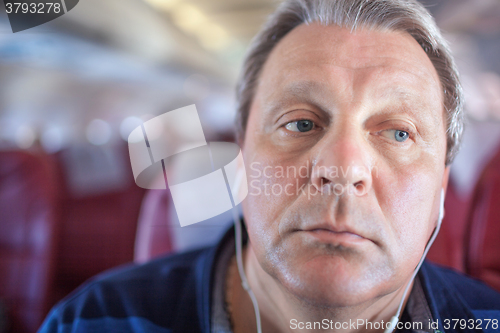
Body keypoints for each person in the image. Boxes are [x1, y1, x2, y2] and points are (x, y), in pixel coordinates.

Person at [39, 0, 500, 332]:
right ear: (242, 158)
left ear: (441, 186)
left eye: (398, 133)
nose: (343, 168)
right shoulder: (94, 319)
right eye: (300, 123)